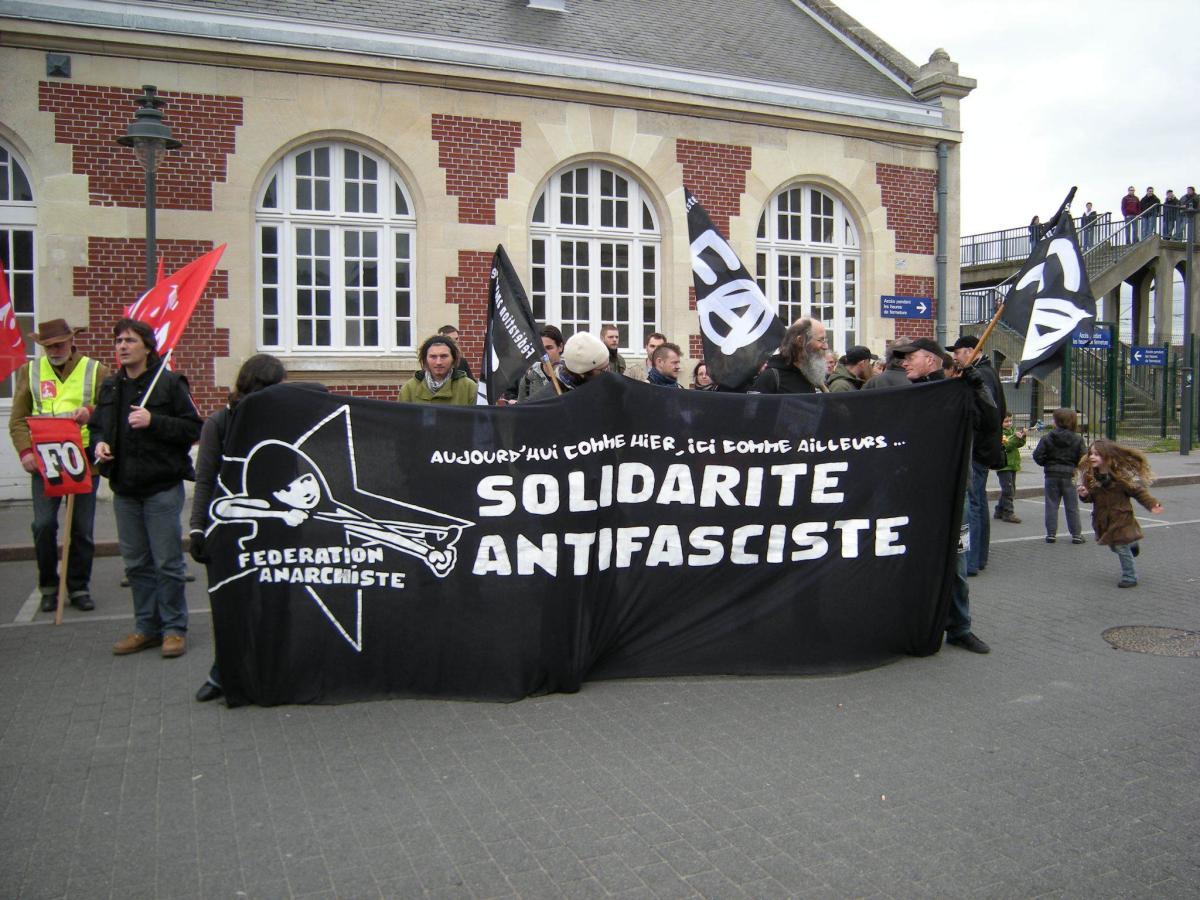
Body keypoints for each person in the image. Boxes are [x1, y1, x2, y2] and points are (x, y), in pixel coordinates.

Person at [93, 318, 202, 658]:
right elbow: (98, 427)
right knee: (136, 563)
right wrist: (98, 446)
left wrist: (154, 421)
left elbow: (192, 428)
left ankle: (173, 629)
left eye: (129, 340)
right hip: (124, 488)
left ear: (147, 346)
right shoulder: (110, 388)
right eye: (118, 341)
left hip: (161, 487)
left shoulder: (169, 384)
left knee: (167, 562)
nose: (122, 346)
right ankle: (146, 627)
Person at [188, 353, 287, 702]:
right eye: (274, 386)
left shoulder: (284, 419)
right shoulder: (220, 422)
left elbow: (317, 388)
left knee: (277, 603)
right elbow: (204, 480)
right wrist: (197, 527)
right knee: (236, 604)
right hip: (235, 525)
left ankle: (274, 667)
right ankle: (222, 671)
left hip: (281, 529)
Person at [891, 336, 995, 654]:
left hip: (952, 496)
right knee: (910, 564)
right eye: (902, 358)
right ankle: (913, 626)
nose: (904, 362)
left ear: (932, 361)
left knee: (957, 566)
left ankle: (960, 628)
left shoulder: (956, 391)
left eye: (911, 357)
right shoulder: (910, 396)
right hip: (916, 496)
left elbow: (989, 421)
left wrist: (977, 387)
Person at [7, 319, 110, 613]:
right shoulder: (31, 371)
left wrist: (90, 412)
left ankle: (78, 586)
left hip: (83, 460)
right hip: (45, 462)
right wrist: (26, 452)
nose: (54, 350)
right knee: (43, 525)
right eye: (48, 346)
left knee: (81, 529)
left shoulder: (95, 370)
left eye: (59, 345)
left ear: (72, 341)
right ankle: (49, 586)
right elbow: (17, 418)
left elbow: (109, 407)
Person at [949, 335, 1006, 576]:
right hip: (985, 445)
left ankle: (971, 559)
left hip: (978, 446)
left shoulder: (980, 376)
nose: (955, 357)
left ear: (971, 351)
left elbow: (987, 412)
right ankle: (979, 556)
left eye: (958, 352)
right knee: (979, 501)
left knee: (973, 503)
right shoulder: (987, 372)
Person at [1076, 439, 1164, 588]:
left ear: (1108, 456)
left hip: (1121, 517)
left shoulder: (1121, 477)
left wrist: (1152, 504)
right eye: (1091, 453)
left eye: (1097, 454)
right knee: (1115, 546)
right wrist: (1084, 494)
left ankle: (1130, 577)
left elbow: (1138, 492)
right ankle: (1132, 544)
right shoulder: (1090, 477)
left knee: (1121, 546)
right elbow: (1091, 498)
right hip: (1103, 519)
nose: (1091, 457)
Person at [1031, 407, 1086, 545]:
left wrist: (1046, 464)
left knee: (1051, 504)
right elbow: (1084, 458)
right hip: (1069, 474)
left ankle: (1051, 534)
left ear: (1057, 422)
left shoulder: (1047, 437)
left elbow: (1037, 455)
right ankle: (1076, 534)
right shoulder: (1078, 439)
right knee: (1072, 505)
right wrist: (1075, 466)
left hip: (1051, 474)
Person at [749, 318, 828, 394]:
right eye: (821, 340)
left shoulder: (813, 377)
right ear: (800, 341)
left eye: (825, 340)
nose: (826, 346)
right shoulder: (771, 377)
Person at [399, 334, 479, 405]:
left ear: (453, 359)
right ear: (425, 360)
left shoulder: (469, 388)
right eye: (433, 357)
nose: (438, 362)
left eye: (444, 356)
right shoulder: (409, 389)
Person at [528, 331, 610, 400]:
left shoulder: (601, 388)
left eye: (608, 366)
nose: (608, 373)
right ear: (582, 374)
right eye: (603, 370)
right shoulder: (546, 401)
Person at [513, 325, 564, 401]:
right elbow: (521, 410)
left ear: (560, 347)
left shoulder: (572, 374)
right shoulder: (529, 378)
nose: (544, 352)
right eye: (541, 348)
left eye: (549, 348)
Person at [994, 414, 1027, 524]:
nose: (1009, 424)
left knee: (1010, 489)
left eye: (1010, 421)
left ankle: (999, 510)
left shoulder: (1012, 431)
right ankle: (1008, 513)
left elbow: (1019, 444)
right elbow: (1006, 445)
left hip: (1012, 464)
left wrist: (1023, 437)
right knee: (1008, 490)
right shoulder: (1000, 433)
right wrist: (1015, 438)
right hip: (1004, 466)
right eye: (1006, 421)